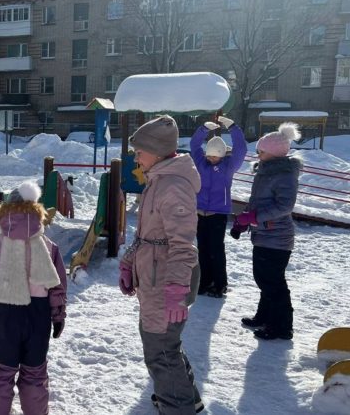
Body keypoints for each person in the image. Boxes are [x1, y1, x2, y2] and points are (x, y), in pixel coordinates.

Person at [118, 115, 204, 415]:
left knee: (160, 350)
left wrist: (177, 287)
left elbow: (183, 245)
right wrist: (130, 261)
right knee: (164, 344)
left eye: (139, 151)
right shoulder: (157, 180)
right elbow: (148, 235)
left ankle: (177, 406)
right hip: (154, 278)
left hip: (166, 281)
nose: (136, 157)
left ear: (156, 151)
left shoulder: (173, 187)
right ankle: (182, 395)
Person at [0, 181, 67, 415]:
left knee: (0, 372)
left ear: (6, 212)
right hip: (38, 316)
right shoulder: (48, 246)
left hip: (7, 315)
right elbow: (56, 286)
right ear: (36, 211)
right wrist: (58, 315)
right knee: (34, 372)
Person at [235, 122, 302, 341]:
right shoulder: (264, 172)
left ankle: (282, 326)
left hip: (277, 237)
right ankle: (264, 316)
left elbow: (285, 206)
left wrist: (254, 217)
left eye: (261, 151)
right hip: (264, 235)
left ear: (273, 153)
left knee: (273, 282)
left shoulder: (284, 175)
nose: (258, 154)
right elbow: (257, 202)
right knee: (264, 280)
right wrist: (244, 220)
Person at [189, 115, 246, 298]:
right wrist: (204, 129)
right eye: (210, 155)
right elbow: (194, 145)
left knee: (216, 249)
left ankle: (220, 284)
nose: (212, 159)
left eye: (216, 156)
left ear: (222, 155)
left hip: (218, 213)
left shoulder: (228, 166)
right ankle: (204, 282)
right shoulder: (200, 163)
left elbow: (241, 149)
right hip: (200, 212)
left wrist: (233, 127)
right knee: (203, 249)